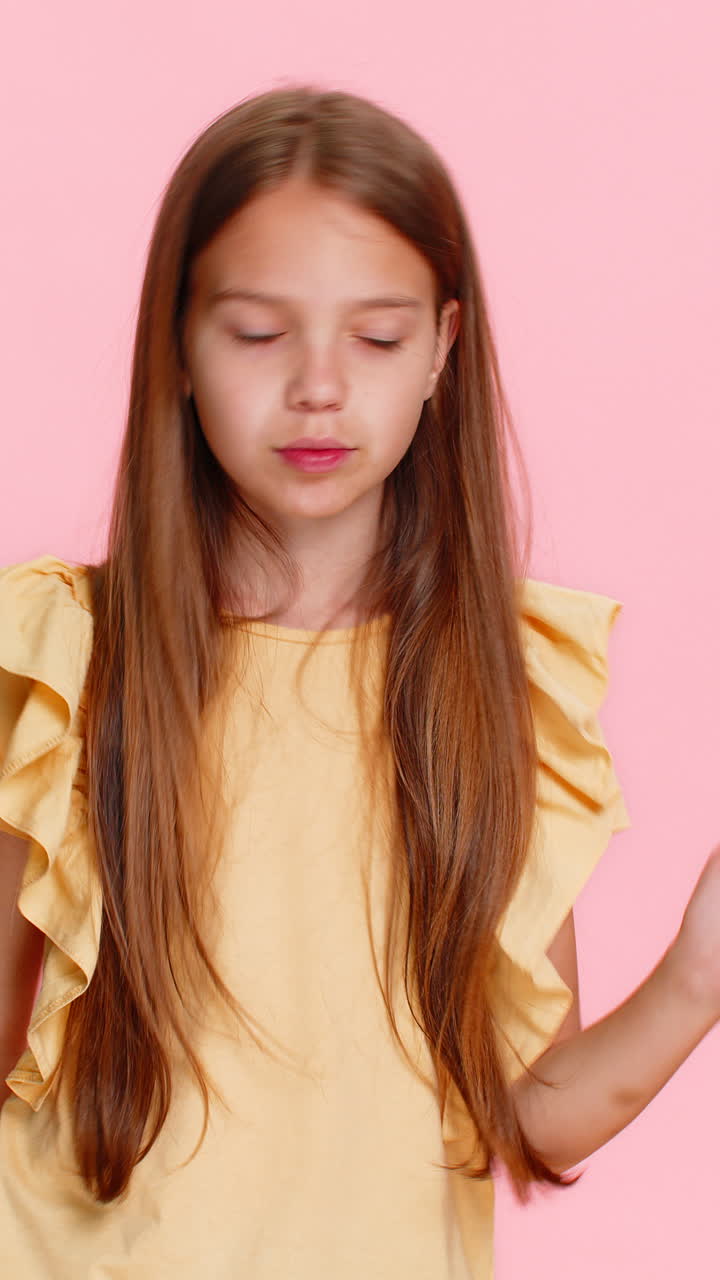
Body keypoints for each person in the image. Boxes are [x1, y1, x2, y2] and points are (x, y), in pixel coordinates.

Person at [0, 85, 718, 1280]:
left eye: (376, 338)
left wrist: (698, 973)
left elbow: (531, 1112)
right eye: (257, 332)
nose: (321, 385)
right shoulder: (65, 661)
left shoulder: (500, 691)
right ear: (176, 341)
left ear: (442, 348)